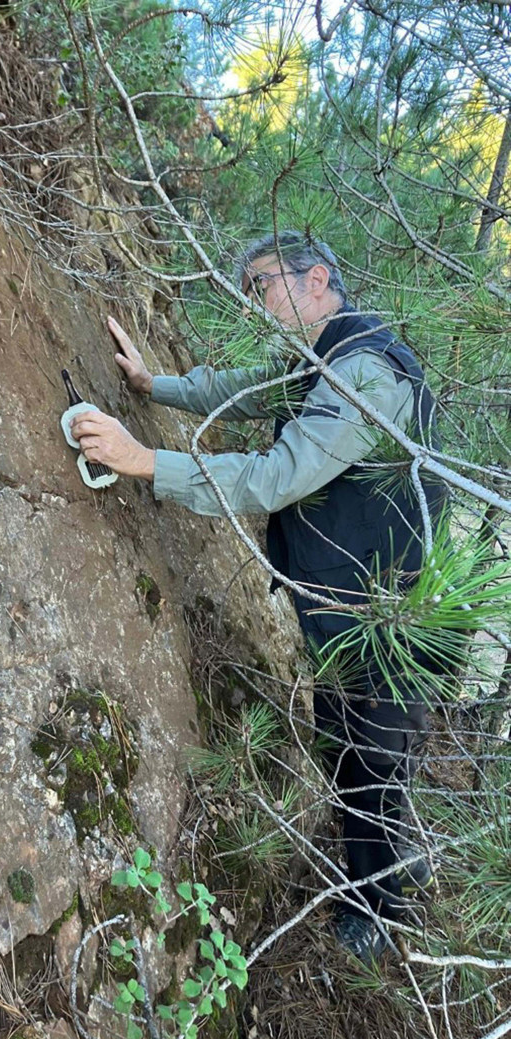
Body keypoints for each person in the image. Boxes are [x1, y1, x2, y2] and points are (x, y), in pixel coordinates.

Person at [70, 231, 446, 964]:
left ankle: (378, 905)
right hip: (354, 610)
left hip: (392, 620)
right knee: (349, 745)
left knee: (368, 758)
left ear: (317, 279)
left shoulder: (364, 371)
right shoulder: (322, 359)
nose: (256, 304)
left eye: (263, 285)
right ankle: (393, 856)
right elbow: (241, 390)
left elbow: (275, 475)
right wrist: (155, 386)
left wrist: (145, 460)